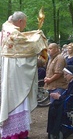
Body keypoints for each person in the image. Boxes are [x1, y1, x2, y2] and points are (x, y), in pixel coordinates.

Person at [0, 11, 48, 139]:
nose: (25, 26)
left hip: (10, 70)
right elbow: (29, 47)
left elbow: (24, 39)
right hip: (15, 73)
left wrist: (34, 34)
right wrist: (39, 38)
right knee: (17, 99)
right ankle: (16, 134)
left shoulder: (6, 29)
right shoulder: (13, 33)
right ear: (20, 21)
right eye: (25, 22)